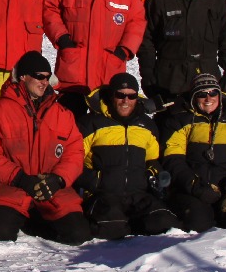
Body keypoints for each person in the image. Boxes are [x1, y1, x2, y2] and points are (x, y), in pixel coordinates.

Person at [0, 51, 91, 244]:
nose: (44, 82)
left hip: (50, 188)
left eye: (47, 77)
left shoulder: (62, 114)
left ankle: (32, 218)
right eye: (39, 77)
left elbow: (75, 153)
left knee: (78, 234)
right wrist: (19, 178)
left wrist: (58, 179)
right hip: (11, 186)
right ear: (23, 77)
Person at [75, 72, 180, 240]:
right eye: (120, 95)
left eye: (131, 96)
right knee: (112, 229)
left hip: (137, 194)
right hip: (103, 194)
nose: (126, 101)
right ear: (112, 96)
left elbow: (152, 159)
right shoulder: (91, 123)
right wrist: (96, 181)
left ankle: (133, 223)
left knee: (165, 222)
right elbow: (73, 163)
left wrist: (155, 174)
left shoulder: (146, 125)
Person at [161, 73, 226, 233]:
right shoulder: (180, 121)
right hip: (192, 189)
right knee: (197, 222)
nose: (208, 99)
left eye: (213, 93)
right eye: (202, 94)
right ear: (194, 96)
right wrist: (194, 186)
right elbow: (173, 160)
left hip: (225, 188)